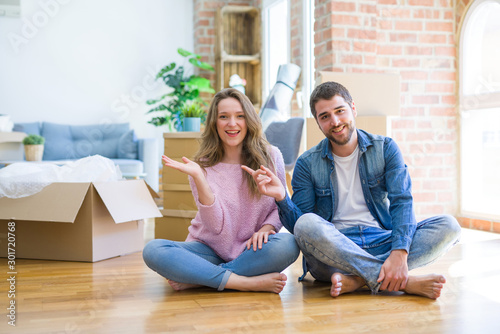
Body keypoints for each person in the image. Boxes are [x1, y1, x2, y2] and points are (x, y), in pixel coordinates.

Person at [243, 81, 461, 299]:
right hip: (333, 249)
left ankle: (358, 279)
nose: (335, 122)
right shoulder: (307, 163)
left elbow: (402, 201)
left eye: (340, 111)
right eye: (325, 116)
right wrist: (282, 198)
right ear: (318, 123)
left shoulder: (385, 148)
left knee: (449, 226)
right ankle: (400, 281)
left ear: (353, 108)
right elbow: (300, 229)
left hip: (381, 240)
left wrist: (399, 252)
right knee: (307, 223)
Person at [143, 88, 300, 294]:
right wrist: (200, 178)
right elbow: (215, 227)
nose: (232, 123)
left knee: (289, 243)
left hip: (251, 250)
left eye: (239, 116)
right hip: (208, 249)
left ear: (249, 120)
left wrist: (266, 228)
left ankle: (203, 278)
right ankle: (244, 282)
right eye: (223, 117)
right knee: (153, 250)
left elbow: (279, 204)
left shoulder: (271, 156)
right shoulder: (202, 167)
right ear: (214, 123)